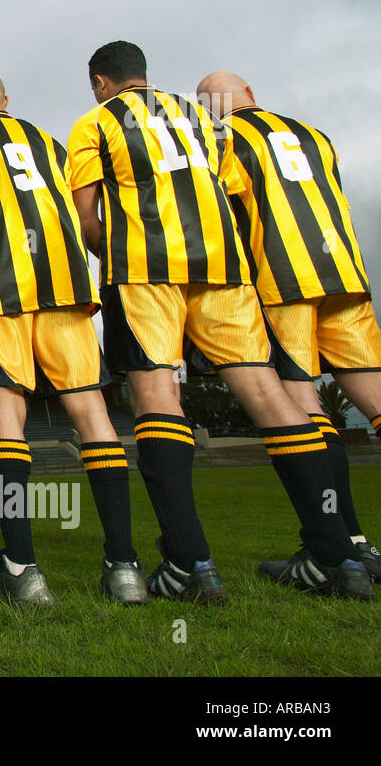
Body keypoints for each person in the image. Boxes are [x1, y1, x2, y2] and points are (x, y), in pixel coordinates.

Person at [66, 41, 370, 604]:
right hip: (224, 266)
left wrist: (109, 252)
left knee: (157, 395)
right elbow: (230, 191)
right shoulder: (199, 117)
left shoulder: (95, 122)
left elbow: (87, 216)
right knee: (267, 393)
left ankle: (191, 565)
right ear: (146, 74)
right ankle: (339, 556)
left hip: (145, 266)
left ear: (101, 83)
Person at [0, 71, 147, 605]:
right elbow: (77, 209)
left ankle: (22, 570)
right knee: (93, 414)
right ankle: (125, 568)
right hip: (65, 286)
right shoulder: (48, 141)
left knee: (7, 417)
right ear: (6, 101)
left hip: (1, 290)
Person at [197, 70, 381, 586]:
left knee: (301, 403)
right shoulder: (313, 133)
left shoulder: (221, 140)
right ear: (251, 94)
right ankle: (359, 546)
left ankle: (333, 553)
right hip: (344, 272)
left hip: (283, 278)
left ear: (209, 109)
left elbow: (224, 213)